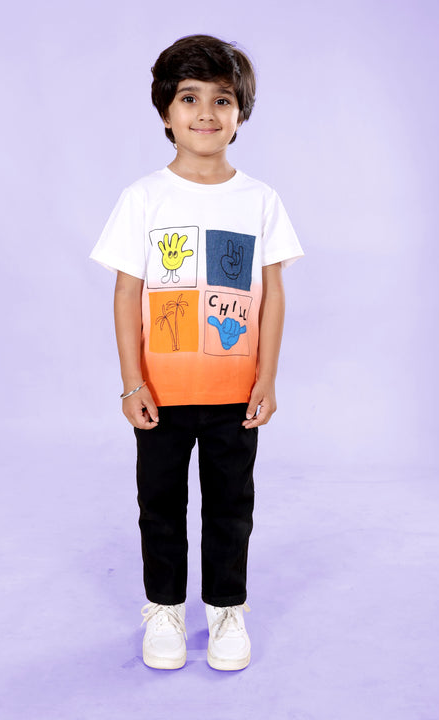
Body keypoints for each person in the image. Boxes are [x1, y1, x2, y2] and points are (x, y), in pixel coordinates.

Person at [90, 34, 304, 671]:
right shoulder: (143, 197)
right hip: (160, 393)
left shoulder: (260, 200)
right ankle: (164, 609)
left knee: (231, 506)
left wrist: (267, 378)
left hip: (234, 395)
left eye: (222, 99)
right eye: (190, 98)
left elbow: (273, 294)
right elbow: (126, 295)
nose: (206, 112)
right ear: (166, 111)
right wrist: (132, 382)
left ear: (240, 115)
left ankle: (226, 609)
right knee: (159, 505)